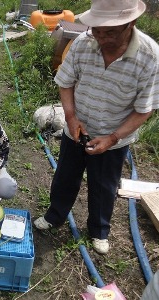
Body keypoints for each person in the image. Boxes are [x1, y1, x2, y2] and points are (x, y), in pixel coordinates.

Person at [34, 0, 159, 255]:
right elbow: (66, 82)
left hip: (114, 136)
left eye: (110, 32)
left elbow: (144, 109)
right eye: (97, 30)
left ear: (131, 23)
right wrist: (70, 117)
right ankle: (55, 216)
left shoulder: (150, 56)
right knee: (65, 177)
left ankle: (99, 230)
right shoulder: (83, 42)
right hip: (77, 128)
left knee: (104, 185)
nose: (101, 38)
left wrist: (112, 138)